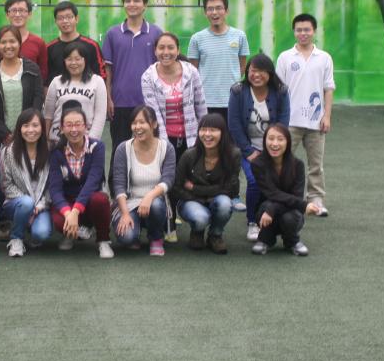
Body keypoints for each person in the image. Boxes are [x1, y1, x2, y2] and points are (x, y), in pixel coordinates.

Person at [275, 13, 336, 217]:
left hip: (316, 121)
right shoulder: (285, 57)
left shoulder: (324, 58)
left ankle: (316, 200)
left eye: (307, 30)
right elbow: (278, 90)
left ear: (314, 31)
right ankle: (283, 198)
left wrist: (326, 116)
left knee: (316, 165)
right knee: (283, 162)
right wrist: (279, 119)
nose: (303, 33)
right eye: (299, 30)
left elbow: (328, 88)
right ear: (294, 32)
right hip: (289, 121)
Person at [228, 54, 290, 242]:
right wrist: (248, 151)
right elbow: (234, 124)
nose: (256, 75)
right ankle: (252, 222)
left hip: (274, 148)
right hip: (248, 148)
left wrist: (274, 149)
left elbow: (283, 122)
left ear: (270, 73)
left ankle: (275, 219)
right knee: (255, 181)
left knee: (277, 182)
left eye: (261, 71)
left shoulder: (281, 91)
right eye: (253, 71)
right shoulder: (238, 91)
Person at [101, 0, 162, 157]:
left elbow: (161, 68)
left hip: (148, 102)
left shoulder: (156, 33)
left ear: (145, 5)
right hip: (120, 103)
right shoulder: (112, 34)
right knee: (120, 150)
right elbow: (108, 70)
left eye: (136, 0)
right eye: (127, 1)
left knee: (148, 150)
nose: (132, 4)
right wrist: (108, 98)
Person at [48, 106, 114, 259]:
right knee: (58, 220)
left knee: (100, 200)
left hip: (89, 200)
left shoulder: (97, 147)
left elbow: (93, 181)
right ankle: (72, 234)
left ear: (86, 126)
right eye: (69, 125)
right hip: (68, 201)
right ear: (62, 128)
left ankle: (103, 239)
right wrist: (68, 213)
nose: (74, 129)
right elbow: (55, 189)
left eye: (78, 124)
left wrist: (75, 212)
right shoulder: (57, 152)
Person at [110, 106, 175, 256]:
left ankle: (156, 237)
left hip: (155, 202)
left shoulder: (166, 148)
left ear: (154, 124)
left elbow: (168, 180)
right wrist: (125, 213)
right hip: (129, 203)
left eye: (142, 122)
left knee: (156, 205)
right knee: (127, 238)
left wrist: (149, 196)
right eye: (134, 123)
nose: (137, 127)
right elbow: (118, 185)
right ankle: (135, 232)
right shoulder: (123, 148)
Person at [172, 113, 241, 254]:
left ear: (223, 133)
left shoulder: (233, 154)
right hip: (190, 200)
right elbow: (177, 187)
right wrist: (202, 198)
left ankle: (215, 235)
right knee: (201, 217)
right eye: (203, 130)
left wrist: (195, 188)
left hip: (211, 197)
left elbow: (232, 189)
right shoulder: (189, 155)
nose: (207, 134)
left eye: (213, 130)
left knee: (225, 203)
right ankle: (197, 232)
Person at [250, 123, 321, 256]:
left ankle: (292, 241)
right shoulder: (257, 164)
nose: (275, 143)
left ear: (287, 142)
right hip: (265, 211)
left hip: (290, 210)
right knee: (266, 206)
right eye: (271, 138)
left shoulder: (298, 165)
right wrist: (304, 205)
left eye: (280, 139)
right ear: (265, 141)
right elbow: (271, 193)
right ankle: (265, 239)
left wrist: (273, 209)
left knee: (289, 217)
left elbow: (297, 196)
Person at [140, 31, 207, 157]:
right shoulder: (147, 78)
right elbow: (155, 114)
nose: (166, 52)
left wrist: (204, 135)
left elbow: (201, 107)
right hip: (164, 141)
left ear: (178, 50)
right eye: (161, 48)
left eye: (171, 48)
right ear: (155, 51)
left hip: (193, 139)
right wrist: (165, 147)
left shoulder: (191, 72)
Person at [186, 0, 250, 120]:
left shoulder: (239, 36)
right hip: (205, 101)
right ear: (205, 13)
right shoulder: (197, 38)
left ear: (226, 11)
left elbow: (242, 67)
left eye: (219, 8)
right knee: (208, 132)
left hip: (233, 99)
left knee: (232, 133)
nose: (214, 12)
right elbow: (193, 71)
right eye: (210, 9)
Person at [0, 109, 53, 257]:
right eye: (26, 125)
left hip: (41, 205)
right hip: (16, 203)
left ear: (42, 128)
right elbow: (6, 185)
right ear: (19, 128)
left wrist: (40, 204)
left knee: (41, 234)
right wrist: (29, 202)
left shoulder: (50, 151)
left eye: (35, 125)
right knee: (26, 203)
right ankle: (16, 238)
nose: (31, 130)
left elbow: (52, 185)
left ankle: (30, 226)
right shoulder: (8, 152)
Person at [0, 25, 44, 146]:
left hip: (28, 134)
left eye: (12, 41)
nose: (8, 46)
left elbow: (38, 99)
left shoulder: (32, 68)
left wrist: (25, 128)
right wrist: (4, 133)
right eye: (3, 42)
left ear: (19, 43)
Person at [43, 41, 108, 144]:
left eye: (78, 59)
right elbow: (48, 115)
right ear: (64, 61)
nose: (73, 63)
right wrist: (46, 139)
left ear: (85, 60)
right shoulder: (56, 82)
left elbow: (100, 116)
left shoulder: (97, 81)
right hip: (57, 140)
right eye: (69, 59)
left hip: (85, 141)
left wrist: (90, 142)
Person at [0, 0, 48, 81]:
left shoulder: (39, 43)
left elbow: (43, 74)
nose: (17, 14)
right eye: (13, 10)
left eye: (22, 10)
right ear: (7, 14)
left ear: (29, 14)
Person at [46, 0, 106, 85]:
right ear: (55, 21)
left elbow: (101, 75)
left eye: (69, 17)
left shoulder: (91, 45)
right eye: (60, 18)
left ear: (76, 19)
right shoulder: (49, 48)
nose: (65, 21)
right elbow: (46, 80)